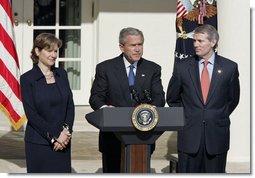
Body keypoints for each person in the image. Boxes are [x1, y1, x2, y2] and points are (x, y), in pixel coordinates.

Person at [89, 27, 165, 173]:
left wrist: (150, 109)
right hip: (112, 136)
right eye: (133, 45)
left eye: (140, 44)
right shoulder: (105, 68)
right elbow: (95, 97)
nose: (138, 49)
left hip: (143, 136)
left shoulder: (152, 69)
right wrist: (105, 109)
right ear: (121, 47)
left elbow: (159, 98)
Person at [166, 24, 240, 173]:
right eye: (194, 41)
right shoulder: (182, 67)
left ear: (213, 42)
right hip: (189, 136)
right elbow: (172, 98)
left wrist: (216, 115)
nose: (195, 44)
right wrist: (188, 116)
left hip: (217, 136)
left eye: (200, 41)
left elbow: (232, 99)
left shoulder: (229, 67)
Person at [20, 33, 75, 173]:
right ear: (37, 51)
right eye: (49, 50)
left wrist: (65, 133)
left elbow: (70, 106)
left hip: (63, 142)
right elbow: (32, 114)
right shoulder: (27, 79)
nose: (54, 55)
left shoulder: (62, 74)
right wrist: (56, 136)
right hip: (39, 143)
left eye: (56, 51)